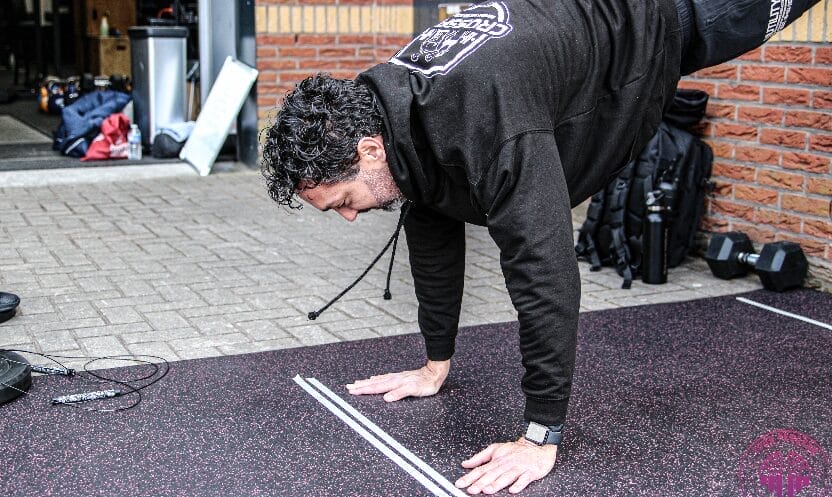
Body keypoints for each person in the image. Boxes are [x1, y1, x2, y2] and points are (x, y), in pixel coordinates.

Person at [261, 0, 819, 493]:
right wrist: (434, 365)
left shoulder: (484, 118)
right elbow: (432, 232)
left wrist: (540, 435)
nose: (351, 216)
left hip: (692, 12)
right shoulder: (396, 108)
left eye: (344, 200)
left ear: (369, 151)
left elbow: (544, 271)